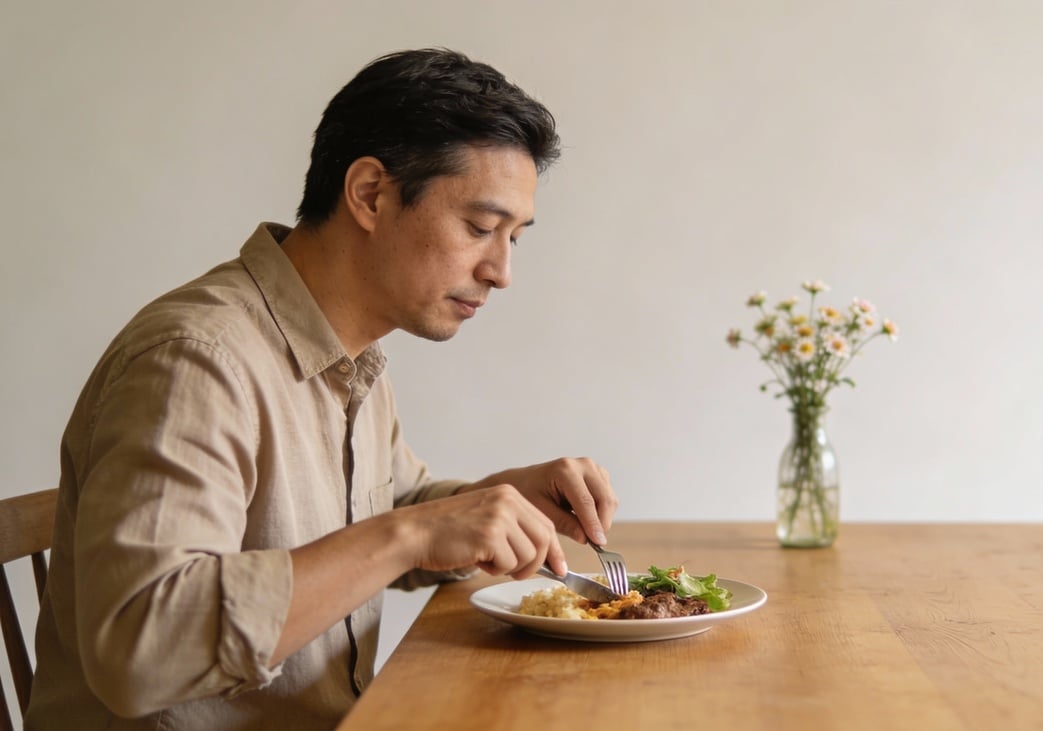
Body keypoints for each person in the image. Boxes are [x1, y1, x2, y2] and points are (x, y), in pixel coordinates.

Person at [25, 48, 615, 730]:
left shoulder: (348, 357)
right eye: (481, 227)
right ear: (368, 193)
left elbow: (389, 514)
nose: (502, 270)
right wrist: (412, 532)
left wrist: (494, 501)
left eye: (515, 236)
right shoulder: (196, 360)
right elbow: (139, 648)